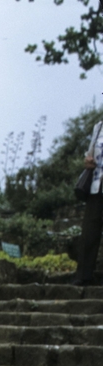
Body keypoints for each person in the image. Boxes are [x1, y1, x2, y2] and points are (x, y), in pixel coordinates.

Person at [74, 113, 103, 285]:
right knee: (89, 232)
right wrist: (88, 160)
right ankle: (83, 276)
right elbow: (89, 155)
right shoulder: (99, 127)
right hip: (96, 186)